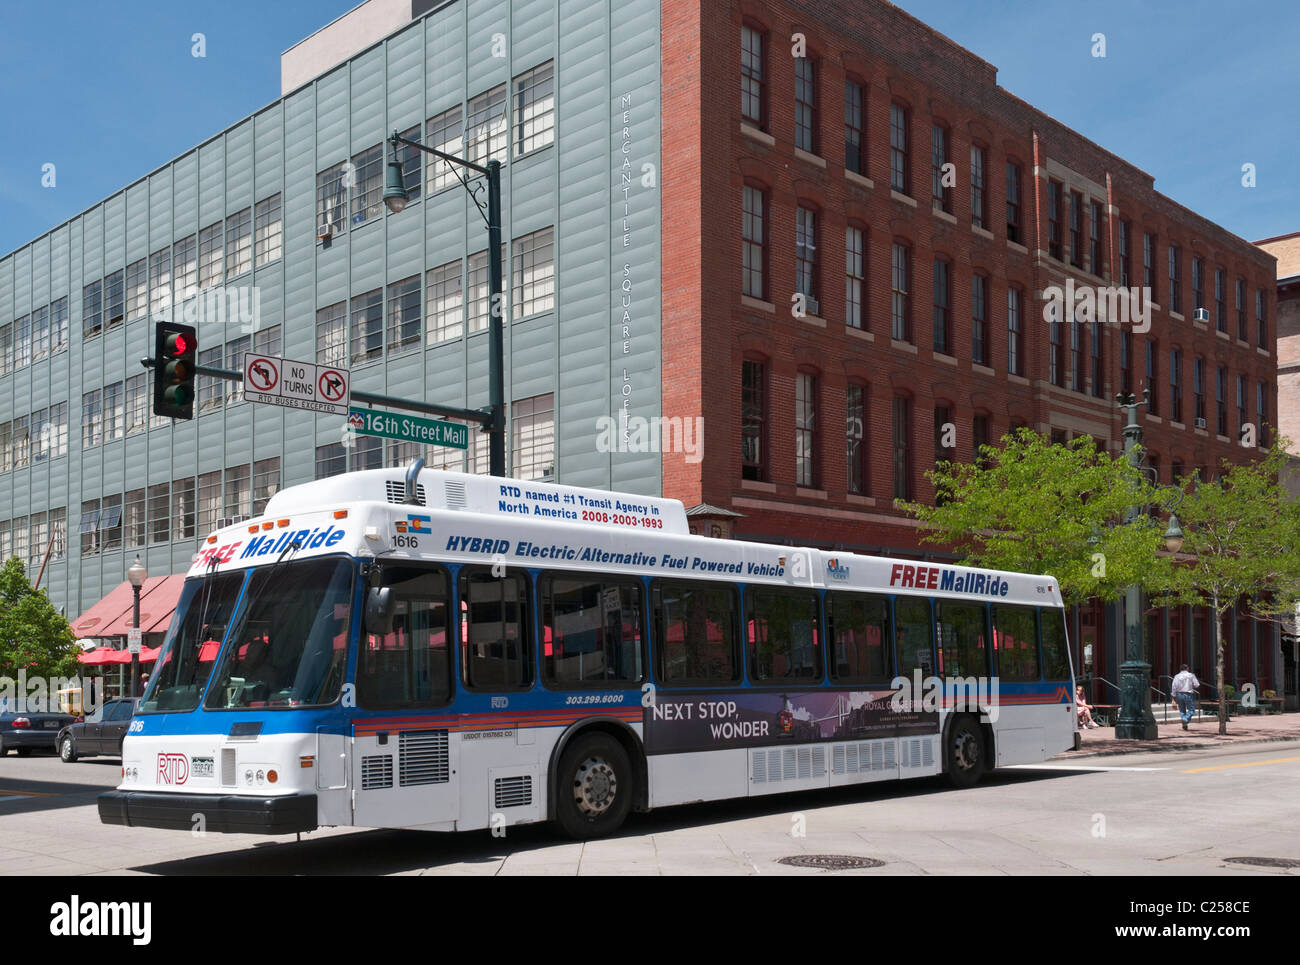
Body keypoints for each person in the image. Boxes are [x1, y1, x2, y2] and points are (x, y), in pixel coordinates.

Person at [1172, 663, 1201, 730]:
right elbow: (1197, 685)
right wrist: (1191, 686)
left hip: (1179, 694)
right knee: (1191, 710)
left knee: (1182, 710)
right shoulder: (1191, 675)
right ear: (1187, 668)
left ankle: (1184, 724)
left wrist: (1173, 696)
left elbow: (1174, 686)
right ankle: (1185, 719)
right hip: (1188, 694)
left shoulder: (1177, 676)